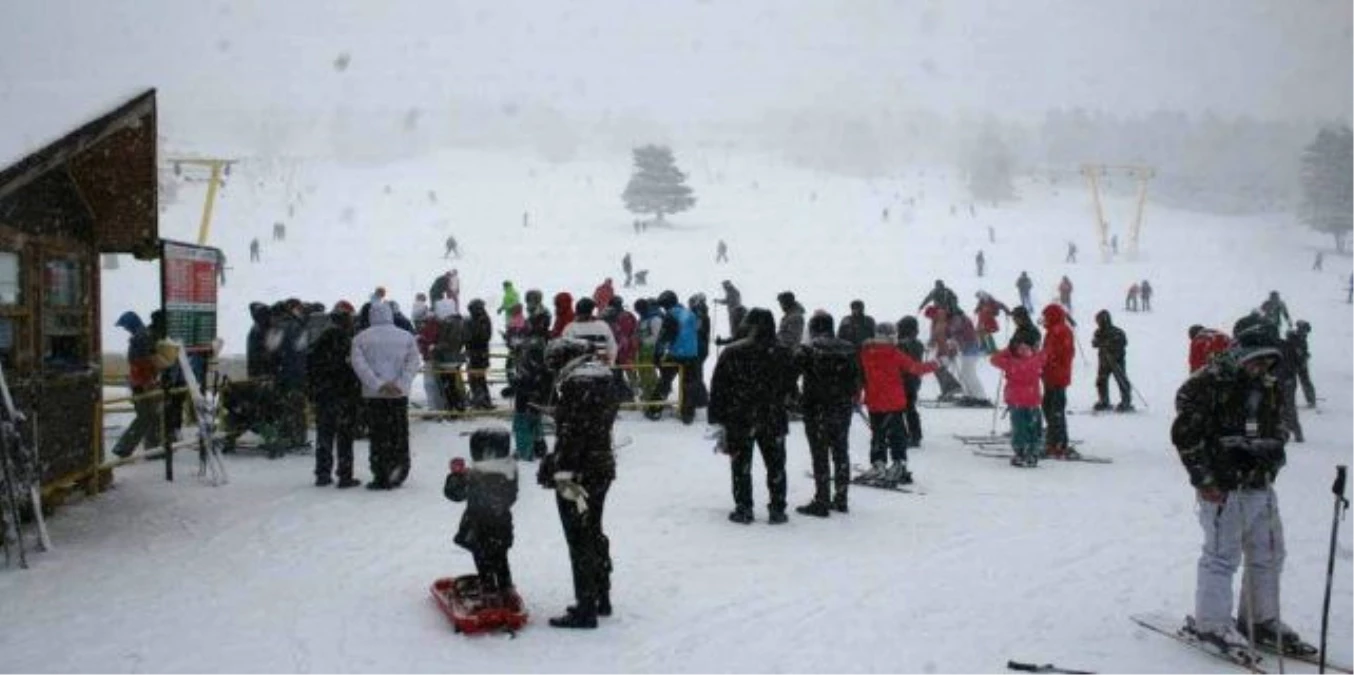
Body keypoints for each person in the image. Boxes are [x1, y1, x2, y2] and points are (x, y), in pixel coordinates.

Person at [1170, 331, 1314, 656]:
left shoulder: (1268, 385)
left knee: (1269, 554)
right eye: (1255, 358)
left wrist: (1271, 447)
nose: (1261, 366)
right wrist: (1205, 478)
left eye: (1267, 360)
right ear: (1240, 353)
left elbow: (1279, 425)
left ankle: (1260, 619)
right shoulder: (1209, 383)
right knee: (1222, 556)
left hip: (1260, 484)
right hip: (1224, 486)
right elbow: (1185, 434)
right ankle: (1212, 624)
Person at [538, 338, 619, 629]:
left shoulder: (577, 383)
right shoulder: (604, 376)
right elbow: (595, 425)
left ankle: (586, 608)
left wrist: (558, 468)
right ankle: (601, 595)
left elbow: (574, 433)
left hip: (577, 473)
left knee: (578, 538)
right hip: (602, 466)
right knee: (594, 529)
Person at [708, 308, 797, 524]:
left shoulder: (732, 352)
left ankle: (744, 507)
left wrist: (717, 417)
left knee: (741, 465)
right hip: (773, 416)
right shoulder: (783, 352)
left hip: (740, 416)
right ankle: (777, 509)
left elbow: (719, 387)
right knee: (776, 465)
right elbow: (791, 388)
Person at [794, 312, 861, 517]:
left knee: (820, 454)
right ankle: (841, 499)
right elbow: (857, 379)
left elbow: (790, 376)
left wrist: (798, 400)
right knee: (841, 452)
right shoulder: (849, 348)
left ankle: (821, 500)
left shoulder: (808, 350)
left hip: (816, 408)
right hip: (842, 408)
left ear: (814, 328)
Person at [351, 301, 421, 490]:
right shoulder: (406, 337)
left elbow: (360, 366)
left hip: (374, 396)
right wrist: (401, 383)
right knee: (399, 433)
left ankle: (381, 473)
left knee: (378, 434)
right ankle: (399, 470)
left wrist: (379, 384)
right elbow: (414, 362)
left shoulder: (360, 338)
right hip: (399, 395)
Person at [445, 428, 518, 601]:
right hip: (499, 525)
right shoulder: (506, 471)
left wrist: (458, 476)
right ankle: (504, 586)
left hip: (479, 525)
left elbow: (456, 494)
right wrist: (460, 476)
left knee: (484, 556)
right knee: (499, 556)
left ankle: (491, 588)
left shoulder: (480, 475)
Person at [859, 323, 937, 483]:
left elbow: (859, 375)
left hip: (874, 401)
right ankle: (898, 465)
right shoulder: (894, 353)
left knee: (877, 435)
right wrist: (937, 364)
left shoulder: (865, 352)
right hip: (893, 402)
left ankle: (878, 464)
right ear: (891, 336)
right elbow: (915, 368)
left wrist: (855, 395)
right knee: (897, 435)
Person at [307, 301, 362, 488]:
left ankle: (322, 473)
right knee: (345, 436)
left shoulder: (321, 340)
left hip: (325, 395)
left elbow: (311, 367)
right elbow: (353, 368)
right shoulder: (348, 341)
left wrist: (315, 389)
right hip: (344, 394)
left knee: (325, 435)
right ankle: (345, 475)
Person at [111, 311, 163, 458]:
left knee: (147, 416)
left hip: (141, 383)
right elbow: (145, 362)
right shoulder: (144, 336)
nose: (126, 329)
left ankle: (126, 447)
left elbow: (140, 362)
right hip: (145, 382)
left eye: (125, 326)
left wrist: (146, 380)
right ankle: (151, 448)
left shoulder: (140, 338)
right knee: (149, 416)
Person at [646, 291, 700, 424]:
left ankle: (655, 409)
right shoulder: (690, 313)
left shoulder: (671, 315)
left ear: (667, 304)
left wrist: (657, 355)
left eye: (664, 306)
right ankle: (688, 414)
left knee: (665, 381)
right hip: (692, 354)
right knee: (689, 385)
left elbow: (664, 336)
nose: (663, 309)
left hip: (676, 354)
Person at [990, 342, 1046, 467]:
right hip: (1033, 402)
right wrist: (1037, 350)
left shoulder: (1011, 363)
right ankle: (1033, 453)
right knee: (1033, 429)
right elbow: (1045, 355)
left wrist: (1007, 350)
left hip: (1017, 402)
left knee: (1019, 429)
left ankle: (1020, 453)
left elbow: (994, 360)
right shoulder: (1035, 362)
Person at [510, 311, 552, 461]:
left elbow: (531, 369)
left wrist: (517, 383)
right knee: (534, 417)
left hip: (528, 387)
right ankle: (539, 446)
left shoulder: (534, 344)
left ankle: (525, 451)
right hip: (540, 387)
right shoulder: (546, 339)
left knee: (522, 420)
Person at [1040, 304, 1076, 459]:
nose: (1044, 320)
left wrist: (1045, 360)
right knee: (1048, 407)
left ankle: (1059, 443)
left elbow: (1058, 353)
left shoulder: (1060, 331)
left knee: (1056, 411)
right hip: (1050, 376)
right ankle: (1053, 440)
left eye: (1046, 317)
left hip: (1057, 376)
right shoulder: (1053, 330)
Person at [1091, 310, 1133, 412]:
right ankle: (1104, 401)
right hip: (1104, 361)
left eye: (1099, 320)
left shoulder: (1117, 332)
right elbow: (1094, 343)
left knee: (1121, 380)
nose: (1098, 323)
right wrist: (1100, 342)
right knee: (1101, 381)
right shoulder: (1098, 332)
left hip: (1116, 361)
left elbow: (1123, 343)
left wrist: (1110, 345)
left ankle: (1126, 401)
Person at [895, 316, 927, 447]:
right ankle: (915, 435)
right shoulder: (918, 343)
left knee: (900, 410)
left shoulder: (901, 344)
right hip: (914, 380)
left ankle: (906, 435)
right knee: (910, 408)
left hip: (903, 380)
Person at [563, 297, 618, 365]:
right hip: (601, 368)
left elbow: (565, 349)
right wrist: (609, 363)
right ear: (591, 311)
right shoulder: (603, 326)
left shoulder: (570, 328)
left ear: (577, 312)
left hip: (578, 369)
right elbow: (612, 347)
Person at [465, 299, 494, 410]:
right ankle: (482, 400)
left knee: (478, 378)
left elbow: (482, 336)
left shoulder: (482, 320)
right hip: (477, 354)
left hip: (478, 354)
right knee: (477, 378)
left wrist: (470, 332)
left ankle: (482, 400)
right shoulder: (481, 319)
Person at [1287, 320, 1316, 408]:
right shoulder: (1295, 337)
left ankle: (1310, 400)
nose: (1306, 333)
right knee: (1295, 383)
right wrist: (1302, 356)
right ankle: (1290, 402)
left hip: (1297, 362)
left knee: (1301, 382)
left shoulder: (1299, 337)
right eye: (1305, 330)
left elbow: (1301, 349)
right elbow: (1296, 350)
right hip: (1295, 363)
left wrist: (1305, 354)